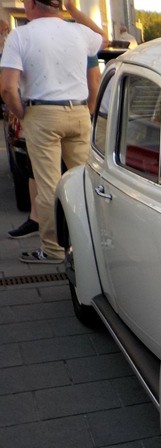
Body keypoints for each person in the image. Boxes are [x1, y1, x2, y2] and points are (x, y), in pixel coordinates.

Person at [0, 0, 106, 264]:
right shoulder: (78, 32)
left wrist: (22, 113)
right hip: (78, 112)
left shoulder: (20, 35)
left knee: (48, 185)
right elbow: (102, 38)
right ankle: (91, 243)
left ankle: (53, 249)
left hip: (42, 113)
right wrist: (73, 9)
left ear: (32, 4)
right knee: (83, 182)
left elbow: (7, 88)